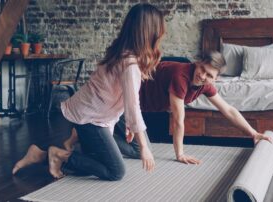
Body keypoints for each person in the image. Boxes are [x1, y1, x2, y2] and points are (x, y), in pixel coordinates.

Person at [12, 3, 166, 180]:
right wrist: (145, 149)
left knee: (93, 163)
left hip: (96, 114)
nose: (161, 34)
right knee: (116, 171)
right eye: (159, 30)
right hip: (91, 117)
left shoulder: (123, 53)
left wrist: (130, 126)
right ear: (149, 32)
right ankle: (58, 155)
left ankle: (40, 154)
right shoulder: (129, 63)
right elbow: (133, 105)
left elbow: (122, 98)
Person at [63, 51, 273, 164]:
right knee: (139, 152)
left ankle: (82, 134)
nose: (202, 76)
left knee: (138, 150)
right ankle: (87, 134)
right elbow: (178, 119)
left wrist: (253, 133)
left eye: (209, 75)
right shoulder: (181, 75)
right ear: (197, 62)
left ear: (215, 79)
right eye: (202, 69)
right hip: (124, 104)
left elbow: (228, 110)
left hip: (136, 110)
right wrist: (179, 153)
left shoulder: (205, 85)